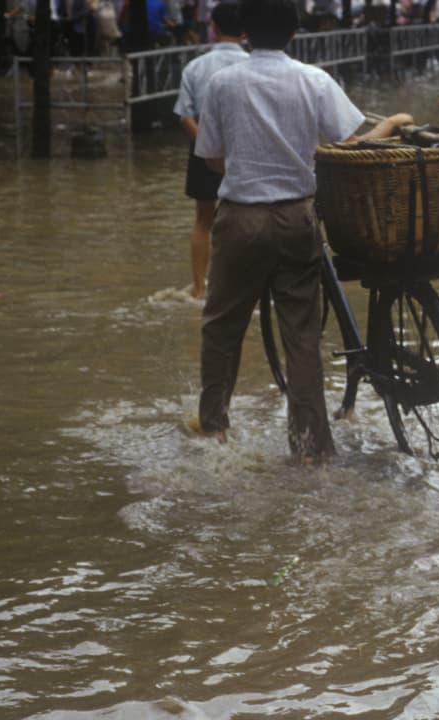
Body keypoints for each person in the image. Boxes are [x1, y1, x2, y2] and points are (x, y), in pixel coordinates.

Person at [192, 0, 413, 459]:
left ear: (246, 32)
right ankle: (309, 447)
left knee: (221, 326)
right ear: (295, 33)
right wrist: (390, 124)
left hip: (239, 220)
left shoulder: (221, 83)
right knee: (302, 337)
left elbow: (211, 158)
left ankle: (213, 427)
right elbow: (350, 146)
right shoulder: (313, 80)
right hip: (296, 219)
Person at [173, 4, 249, 300]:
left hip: (204, 146)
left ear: (214, 27)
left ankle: (199, 287)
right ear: (245, 30)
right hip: (246, 147)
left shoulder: (196, 66)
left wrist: (208, 146)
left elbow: (184, 115)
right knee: (245, 217)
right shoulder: (253, 64)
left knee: (203, 220)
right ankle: (239, 285)